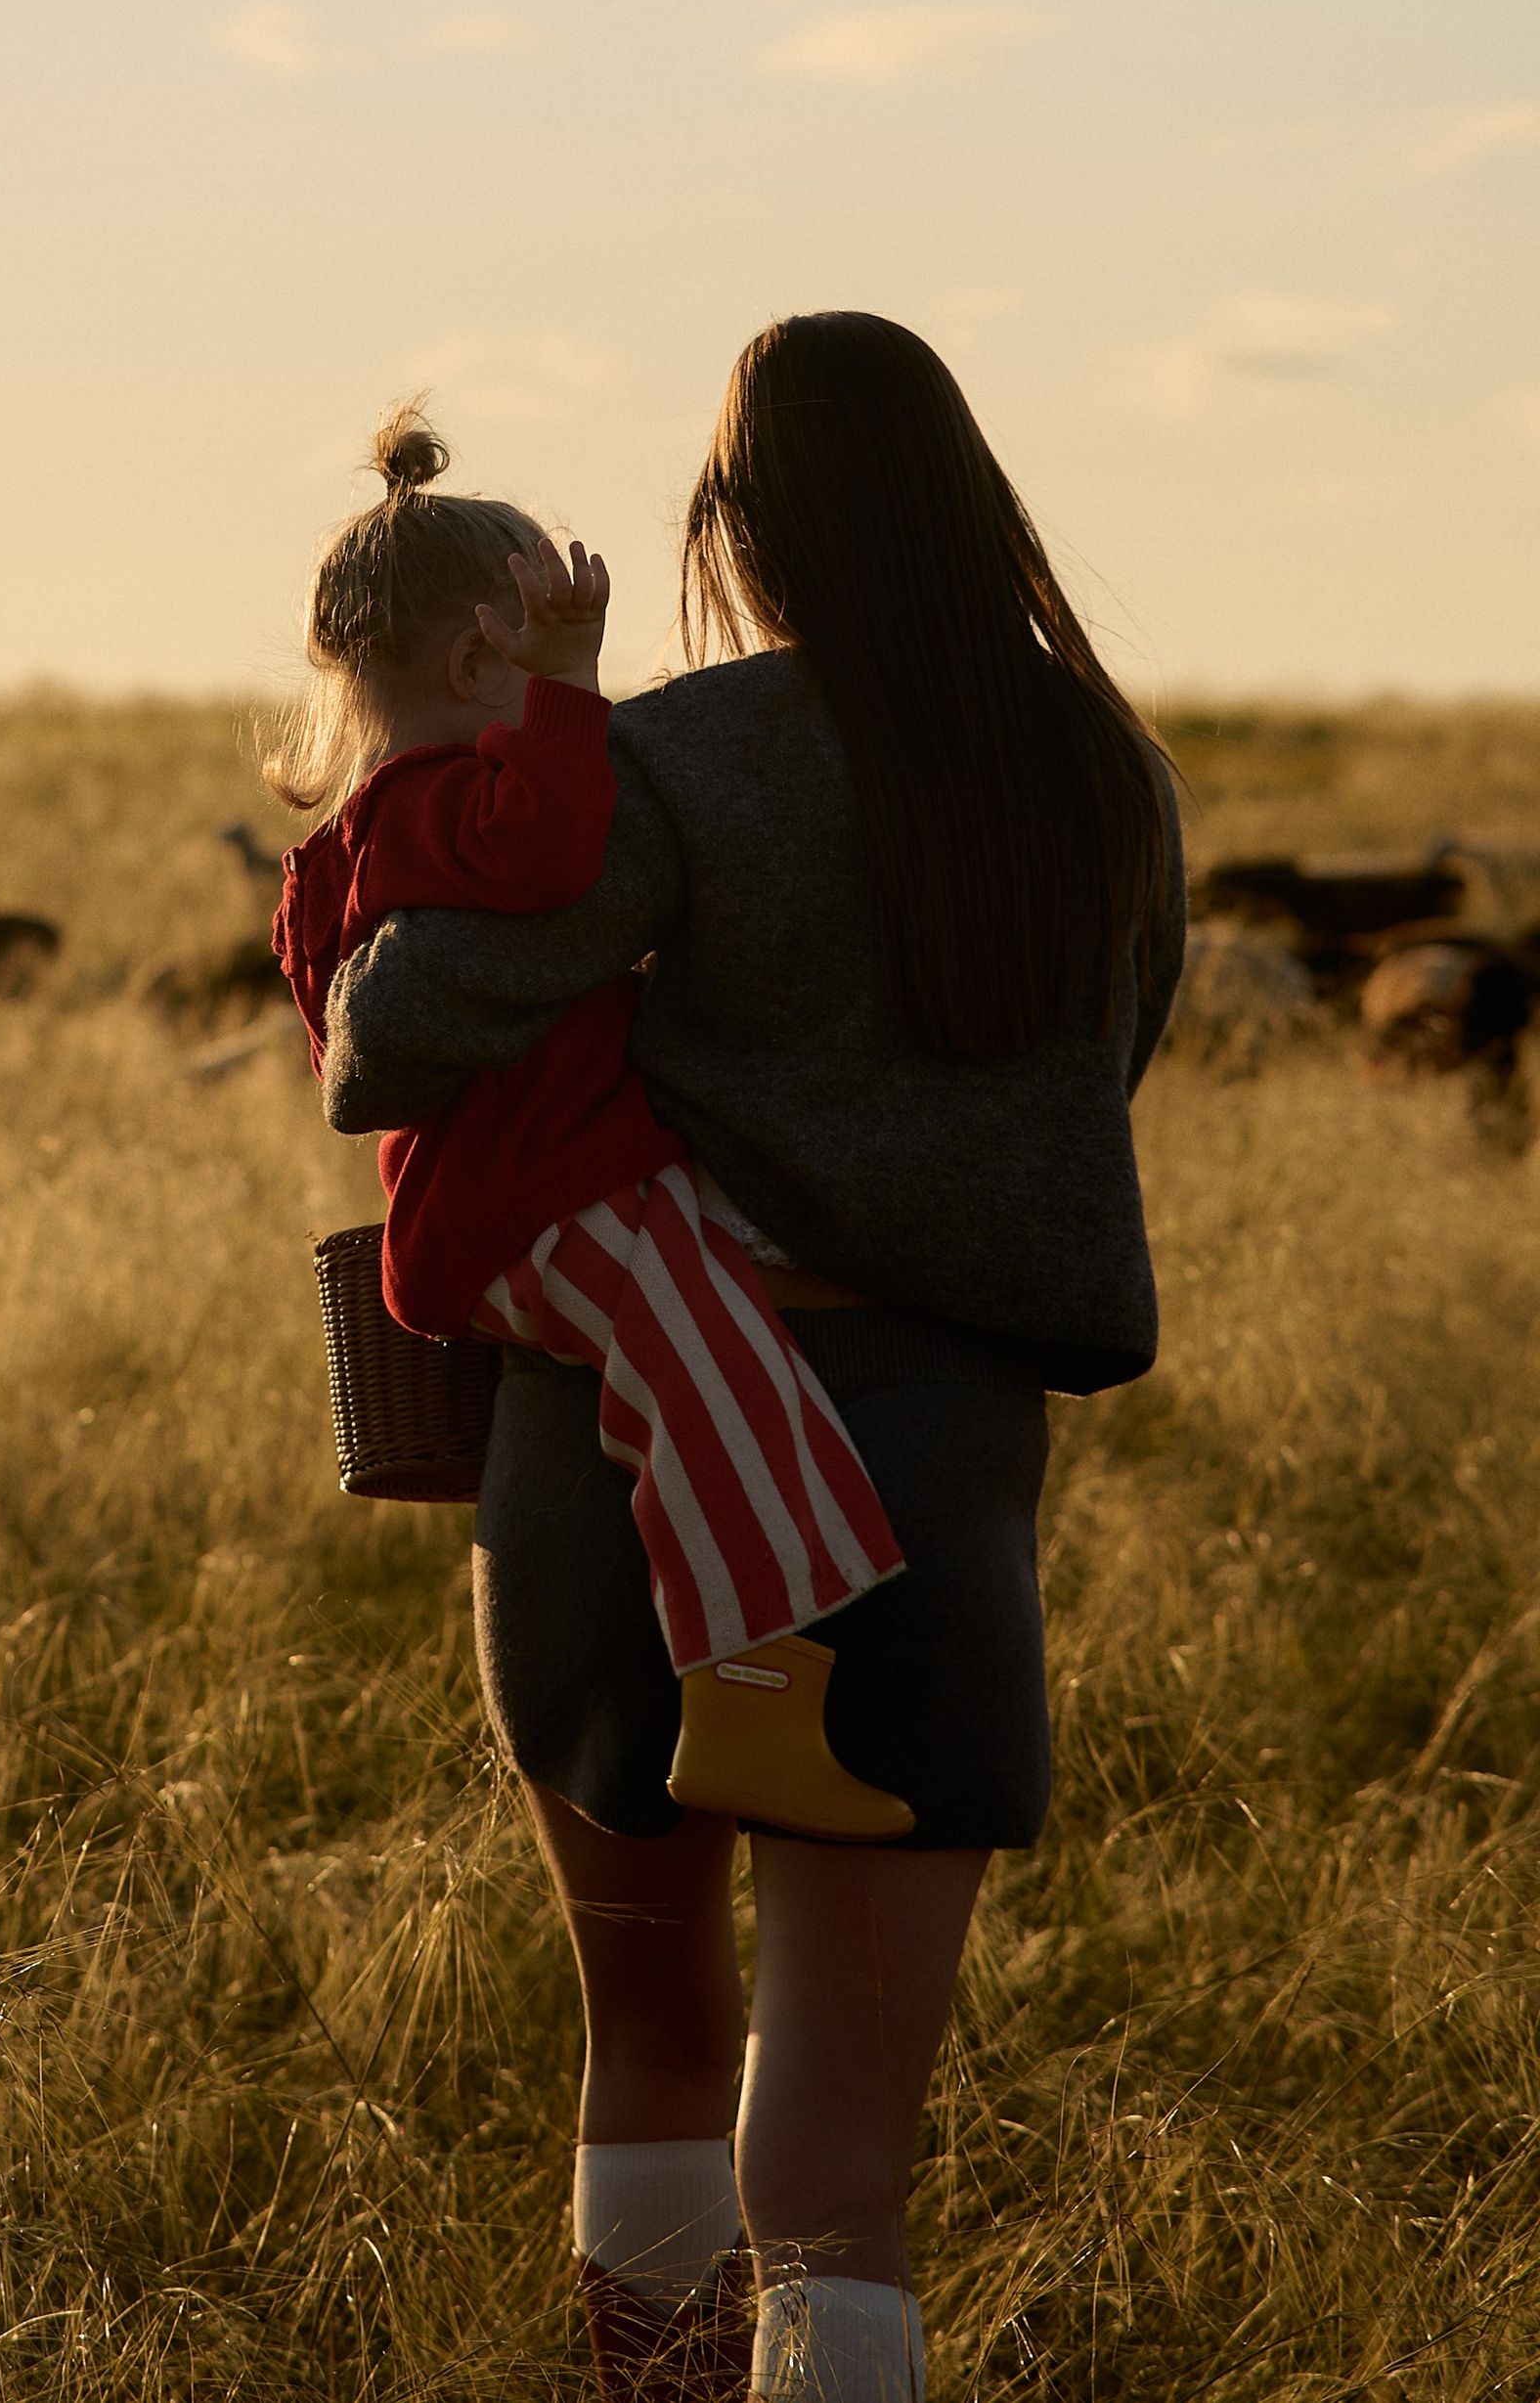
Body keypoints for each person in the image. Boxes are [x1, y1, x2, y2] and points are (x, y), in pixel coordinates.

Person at [319, 316, 1185, 2403]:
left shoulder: (685, 753)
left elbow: (393, 1035)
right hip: (928, 1449)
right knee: (840, 2173)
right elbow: (1094, 1078)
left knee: (650, 2041)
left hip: (608, 1443)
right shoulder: (1102, 775)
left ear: (737, 530)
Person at [270, 407, 912, 1840]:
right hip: (544, 1193)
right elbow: (565, 847)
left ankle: (757, 1684)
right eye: (544, 646)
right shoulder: (443, 805)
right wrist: (574, 690)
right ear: (476, 662)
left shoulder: (353, 845)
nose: (579, 681)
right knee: (724, 1382)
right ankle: (751, 1701)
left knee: (709, 1352)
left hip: (544, 1186)